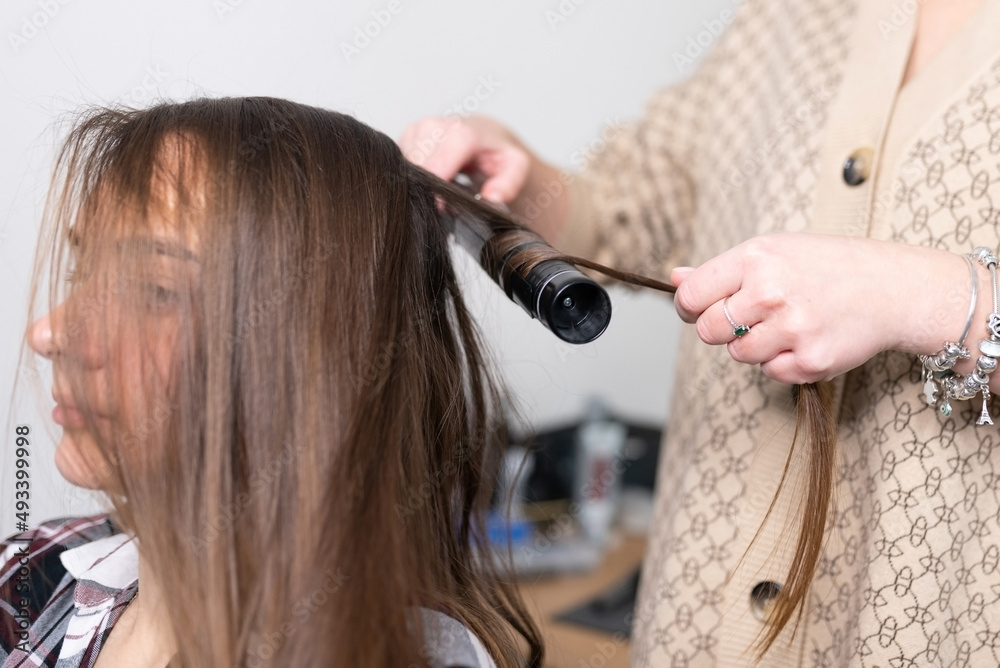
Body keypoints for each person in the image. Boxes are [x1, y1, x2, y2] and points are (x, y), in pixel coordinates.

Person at [400, 0, 1000, 665]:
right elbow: (637, 207)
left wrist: (920, 296)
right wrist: (516, 177)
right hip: (698, 618)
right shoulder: (787, 15)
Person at [0, 97, 545, 667]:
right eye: (80, 273)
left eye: (155, 290)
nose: (49, 333)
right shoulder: (28, 577)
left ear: (320, 351)